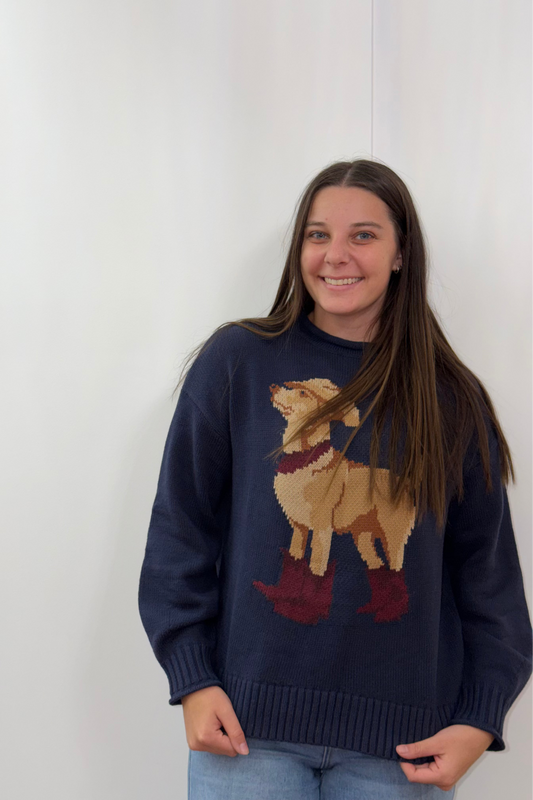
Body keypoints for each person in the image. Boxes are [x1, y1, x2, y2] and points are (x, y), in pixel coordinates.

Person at [138, 158, 533, 799]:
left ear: (402, 252)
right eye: (318, 235)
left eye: (364, 235)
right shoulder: (237, 363)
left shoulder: (449, 399)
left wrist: (478, 719)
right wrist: (193, 675)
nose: (335, 255)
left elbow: (489, 580)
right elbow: (179, 529)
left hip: (401, 751)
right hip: (246, 734)